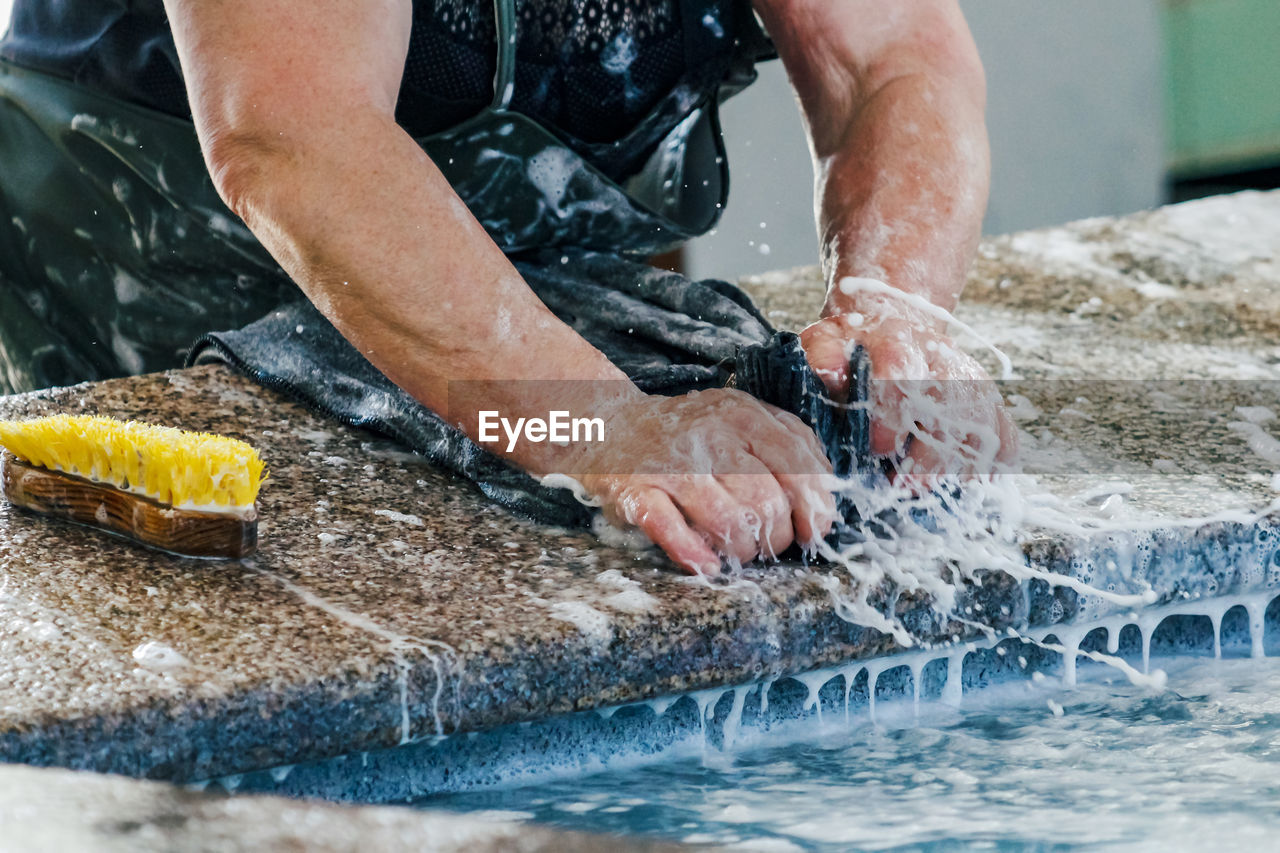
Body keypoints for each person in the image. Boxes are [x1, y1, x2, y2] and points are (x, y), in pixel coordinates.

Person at [0, 0, 1014, 575]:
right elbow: (293, 137)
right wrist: (603, 429)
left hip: (528, 268)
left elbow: (894, 54)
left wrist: (893, 307)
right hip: (147, 264)